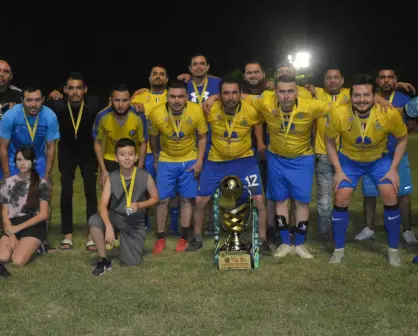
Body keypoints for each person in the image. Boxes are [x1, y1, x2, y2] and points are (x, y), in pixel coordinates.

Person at [325, 74, 408, 266]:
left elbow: (402, 138)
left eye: (366, 95)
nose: (361, 100)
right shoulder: (338, 112)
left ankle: (393, 250)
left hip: (379, 160)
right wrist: (338, 170)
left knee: (389, 193)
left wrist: (394, 168)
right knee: (341, 196)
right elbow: (329, 140)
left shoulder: (388, 112)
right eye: (357, 95)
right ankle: (338, 250)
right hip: (349, 160)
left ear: (374, 95)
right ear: (350, 96)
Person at [252, 75, 331, 259]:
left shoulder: (311, 105)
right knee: (280, 201)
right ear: (275, 93)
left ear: (297, 92)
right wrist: (215, 98)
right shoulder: (266, 102)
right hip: (276, 158)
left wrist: (377, 99)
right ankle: (285, 243)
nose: (286, 96)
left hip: (302, 159)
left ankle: (300, 243)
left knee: (302, 202)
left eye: (290, 91)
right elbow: (243, 97)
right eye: (282, 91)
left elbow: (340, 106)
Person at [191, 79, 267, 252]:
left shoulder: (251, 109)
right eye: (225, 93)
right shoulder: (210, 109)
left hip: (245, 161)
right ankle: (196, 238)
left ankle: (262, 242)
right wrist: (213, 99)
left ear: (240, 94)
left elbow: (264, 101)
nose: (230, 97)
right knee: (200, 200)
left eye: (234, 93)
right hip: (216, 161)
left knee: (259, 200)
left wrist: (216, 96)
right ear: (220, 95)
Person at [355, 68, 417, 244]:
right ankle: (369, 227)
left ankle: (407, 230)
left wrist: (395, 130)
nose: (386, 81)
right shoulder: (368, 97)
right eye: (383, 78)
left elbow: (411, 125)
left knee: (403, 193)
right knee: (370, 192)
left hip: (397, 152)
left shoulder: (404, 99)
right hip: (372, 154)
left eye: (390, 78)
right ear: (377, 80)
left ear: (395, 80)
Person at [148, 80, 207, 253]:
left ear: (186, 97)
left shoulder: (196, 110)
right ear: (167, 97)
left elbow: (202, 136)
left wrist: (199, 161)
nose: (176, 100)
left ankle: (183, 237)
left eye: (180, 96)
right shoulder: (156, 113)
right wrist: (157, 159)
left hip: (189, 159)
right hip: (167, 159)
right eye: (172, 96)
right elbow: (153, 138)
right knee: (162, 200)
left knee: (186, 200)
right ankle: (160, 238)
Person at [0, 86, 59, 253]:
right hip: (14, 159)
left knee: (44, 195)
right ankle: (9, 232)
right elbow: (2, 147)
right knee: (8, 197)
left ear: (43, 100)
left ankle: (42, 239)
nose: (33, 104)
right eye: (29, 100)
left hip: (38, 159)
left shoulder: (49, 116)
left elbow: (51, 148)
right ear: (22, 100)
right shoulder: (10, 116)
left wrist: (47, 175)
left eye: (37, 100)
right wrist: (6, 176)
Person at [45, 72, 100, 251]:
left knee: (91, 191)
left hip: (88, 153)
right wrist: (48, 97)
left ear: (85, 90)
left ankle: (92, 233)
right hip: (67, 152)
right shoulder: (58, 104)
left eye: (79, 88)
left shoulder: (93, 104)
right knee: (66, 191)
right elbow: (41, 110)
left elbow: (113, 108)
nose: (75, 92)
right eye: (71, 88)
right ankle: (67, 234)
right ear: (65, 90)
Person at [89, 138, 159, 275]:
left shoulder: (145, 175)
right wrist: (108, 226)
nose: (127, 158)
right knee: (94, 220)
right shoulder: (112, 177)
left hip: (135, 223)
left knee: (131, 263)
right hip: (116, 217)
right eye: (122, 155)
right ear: (116, 158)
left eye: (130, 154)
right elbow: (102, 205)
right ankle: (104, 260)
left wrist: (140, 204)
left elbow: (155, 198)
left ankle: (126, 242)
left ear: (136, 156)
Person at [130, 65, 180, 233]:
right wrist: (132, 102)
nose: (158, 77)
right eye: (154, 74)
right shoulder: (139, 97)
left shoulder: (173, 96)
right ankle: (144, 222)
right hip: (146, 153)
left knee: (170, 191)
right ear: (149, 78)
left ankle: (173, 224)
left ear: (166, 79)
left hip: (168, 153)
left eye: (162, 74)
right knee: (144, 189)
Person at [0, 146, 50, 277]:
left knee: (17, 261)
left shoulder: (42, 184)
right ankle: (21, 244)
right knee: (3, 257)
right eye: (19, 159)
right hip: (12, 225)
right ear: (15, 162)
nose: (22, 163)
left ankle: (39, 247)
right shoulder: (8, 183)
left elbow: (44, 215)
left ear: (33, 161)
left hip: (33, 225)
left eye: (26, 159)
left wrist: (17, 229)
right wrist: (11, 233)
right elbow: (4, 213)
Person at [93, 84, 147, 188]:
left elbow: (143, 142)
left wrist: (139, 169)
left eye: (125, 100)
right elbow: (97, 142)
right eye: (117, 100)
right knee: (110, 199)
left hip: (132, 160)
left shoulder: (139, 116)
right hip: (111, 160)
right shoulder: (102, 116)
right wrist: (103, 170)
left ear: (130, 100)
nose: (121, 105)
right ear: (111, 100)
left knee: (134, 199)